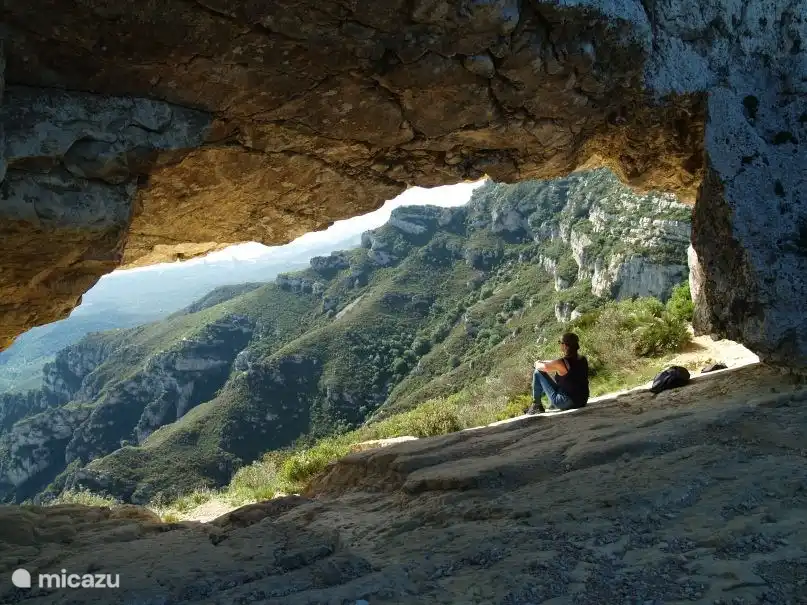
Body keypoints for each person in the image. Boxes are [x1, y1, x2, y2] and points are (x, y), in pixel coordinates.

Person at [528, 332, 589, 414]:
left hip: (566, 402)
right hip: (582, 400)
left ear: (565, 346)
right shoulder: (582, 359)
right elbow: (554, 363)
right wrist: (543, 361)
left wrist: (536, 363)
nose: (560, 344)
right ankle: (540, 405)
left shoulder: (562, 363)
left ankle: (536, 405)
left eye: (560, 342)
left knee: (537, 372)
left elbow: (542, 367)